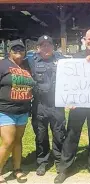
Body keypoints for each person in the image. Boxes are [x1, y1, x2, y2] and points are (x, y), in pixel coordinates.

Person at [54, 29, 90, 184]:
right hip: (77, 105)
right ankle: (64, 168)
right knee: (72, 134)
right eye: (89, 39)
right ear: (84, 40)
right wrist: (69, 99)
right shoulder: (75, 58)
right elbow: (68, 81)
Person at [28, 35, 66, 176]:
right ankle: (42, 162)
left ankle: (58, 161)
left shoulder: (61, 60)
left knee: (59, 134)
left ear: (53, 46)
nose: (46, 48)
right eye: (43, 45)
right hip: (39, 104)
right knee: (40, 135)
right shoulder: (31, 61)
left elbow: (78, 68)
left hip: (57, 105)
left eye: (49, 45)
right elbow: (14, 64)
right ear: (38, 48)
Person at [0, 40, 35, 183]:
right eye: (15, 49)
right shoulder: (2, 65)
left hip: (23, 110)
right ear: (9, 51)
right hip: (5, 110)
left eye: (21, 49)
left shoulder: (27, 66)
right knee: (8, 142)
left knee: (18, 141)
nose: (18, 52)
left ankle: (17, 169)